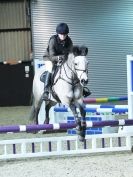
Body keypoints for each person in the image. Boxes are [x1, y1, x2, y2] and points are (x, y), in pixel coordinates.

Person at [41, 22, 91, 101]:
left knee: (73, 68)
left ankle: (82, 89)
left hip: (63, 58)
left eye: (65, 34)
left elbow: (71, 54)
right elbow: (52, 55)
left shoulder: (69, 41)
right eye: (61, 34)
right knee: (50, 69)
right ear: (58, 34)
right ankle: (46, 91)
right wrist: (60, 58)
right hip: (50, 58)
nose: (63, 36)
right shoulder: (53, 40)